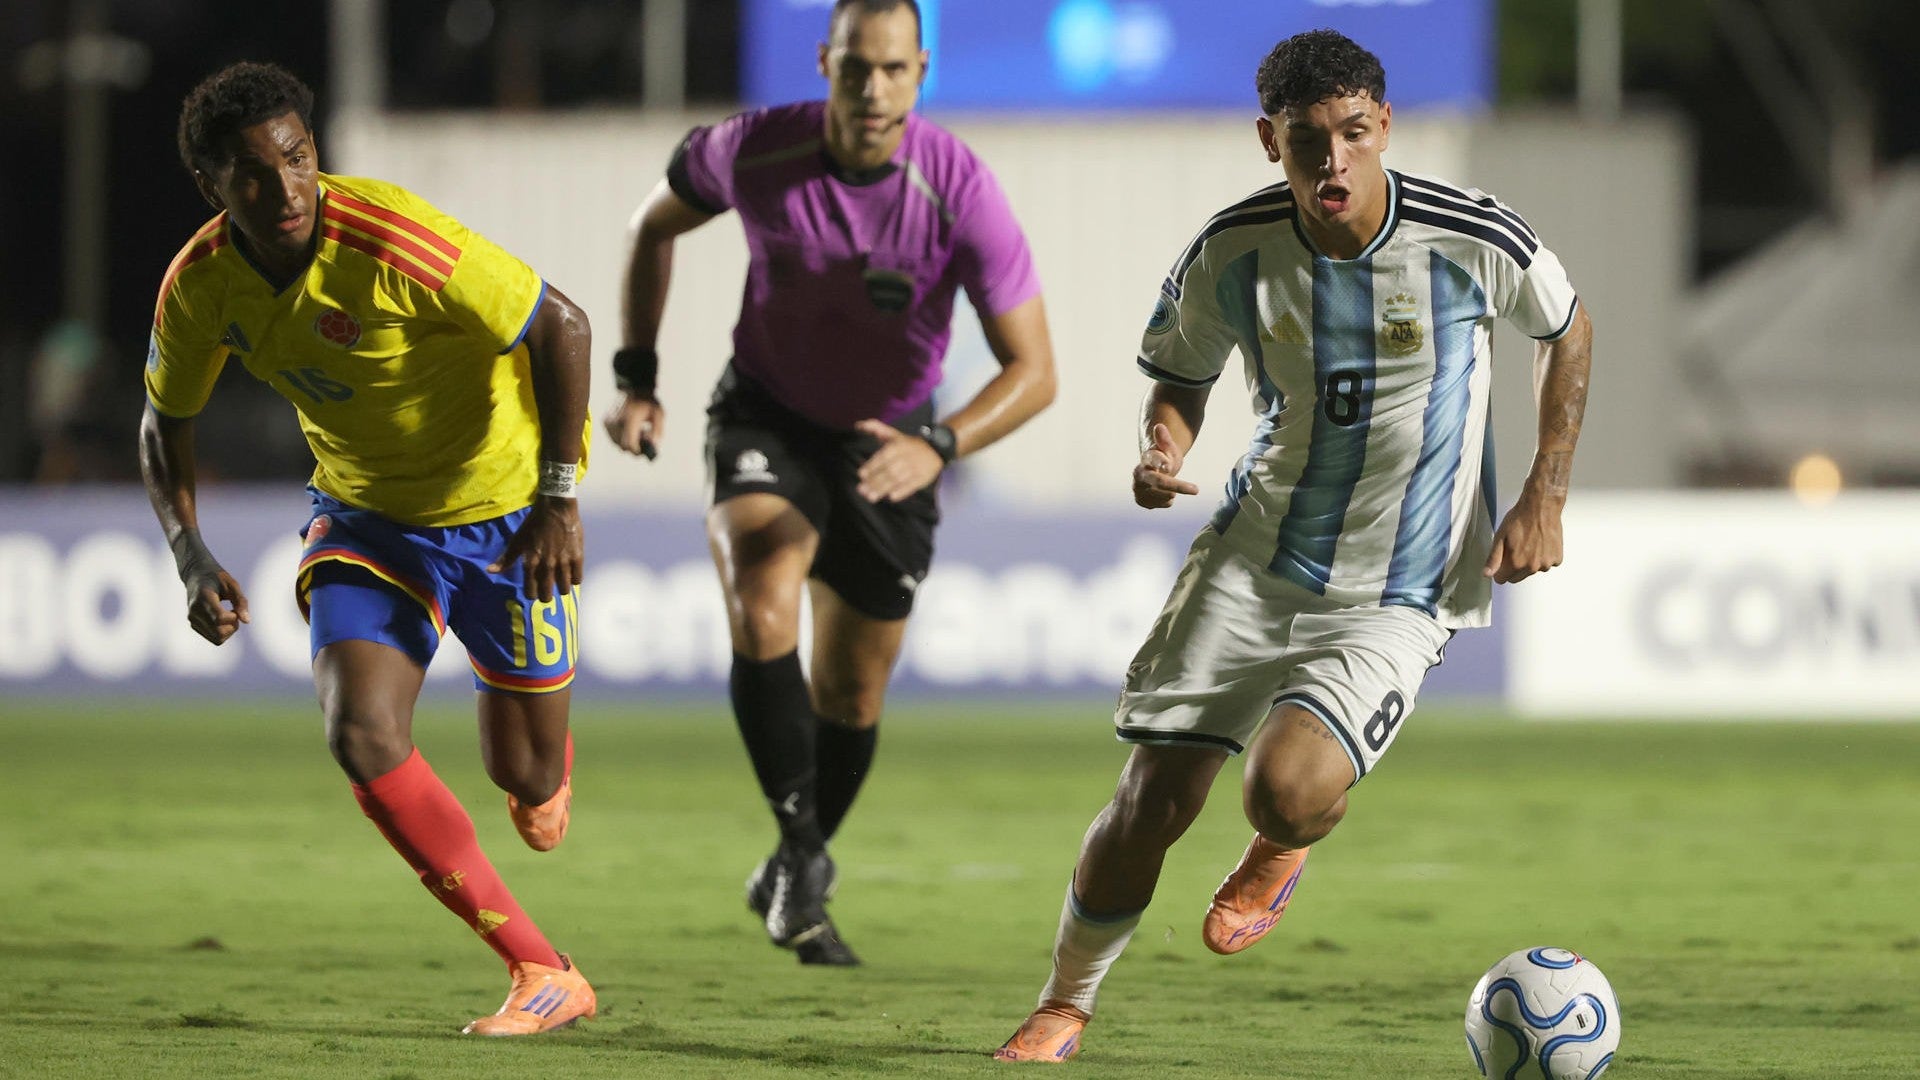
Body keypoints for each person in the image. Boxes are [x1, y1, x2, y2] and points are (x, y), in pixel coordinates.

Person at [994, 29, 1594, 1060]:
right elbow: (1180, 377)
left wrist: (1546, 492)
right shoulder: (1232, 249)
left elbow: (1567, 329)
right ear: (1270, 140)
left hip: (1400, 585)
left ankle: (1281, 844)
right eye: (1308, 140)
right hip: (1254, 559)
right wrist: (1160, 446)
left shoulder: (1470, 235)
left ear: (1385, 126)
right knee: (1152, 798)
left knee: (1285, 789)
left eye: (1354, 134)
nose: (1333, 162)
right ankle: (1064, 1004)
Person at [141, 62, 598, 1036]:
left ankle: (542, 770)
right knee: (360, 730)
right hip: (366, 518)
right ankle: (541, 969)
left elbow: (562, 324)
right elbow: (163, 421)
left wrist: (560, 500)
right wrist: (188, 551)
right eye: (252, 173)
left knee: (524, 775)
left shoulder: (392, 238)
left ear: (315, 150)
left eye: (297, 158)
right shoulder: (201, 285)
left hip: (506, 513)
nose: (285, 189)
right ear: (212, 186)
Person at [602, 0, 1057, 966]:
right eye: (856, 68)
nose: (873, 90)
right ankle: (805, 857)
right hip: (765, 413)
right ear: (825, 64)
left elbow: (1035, 372)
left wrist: (941, 443)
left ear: (921, 71)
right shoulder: (753, 149)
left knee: (851, 694)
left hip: (892, 441)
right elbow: (650, 227)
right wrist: (636, 378)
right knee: (763, 581)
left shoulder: (960, 190)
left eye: (893, 70)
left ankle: (793, 863)